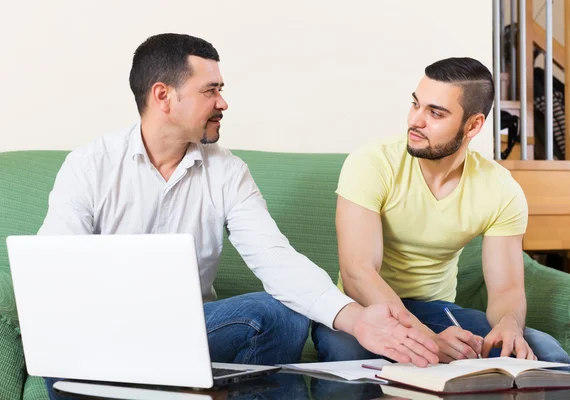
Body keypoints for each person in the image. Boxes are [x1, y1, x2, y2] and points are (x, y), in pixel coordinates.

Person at [38, 33, 439, 399]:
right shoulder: (90, 165)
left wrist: (355, 319)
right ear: (163, 95)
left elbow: (276, 260)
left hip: (187, 334)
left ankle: (162, 383)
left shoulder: (227, 171)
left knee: (283, 313)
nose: (223, 103)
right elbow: (54, 272)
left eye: (221, 90)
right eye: (210, 90)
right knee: (61, 345)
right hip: (104, 335)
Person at [312, 57, 570, 366]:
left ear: (473, 125)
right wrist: (425, 339)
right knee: (347, 352)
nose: (416, 121)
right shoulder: (371, 163)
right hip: (365, 308)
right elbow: (358, 272)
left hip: (437, 310)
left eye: (435, 113)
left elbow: (506, 289)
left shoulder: (500, 190)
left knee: (545, 352)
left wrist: (508, 324)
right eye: (416, 105)